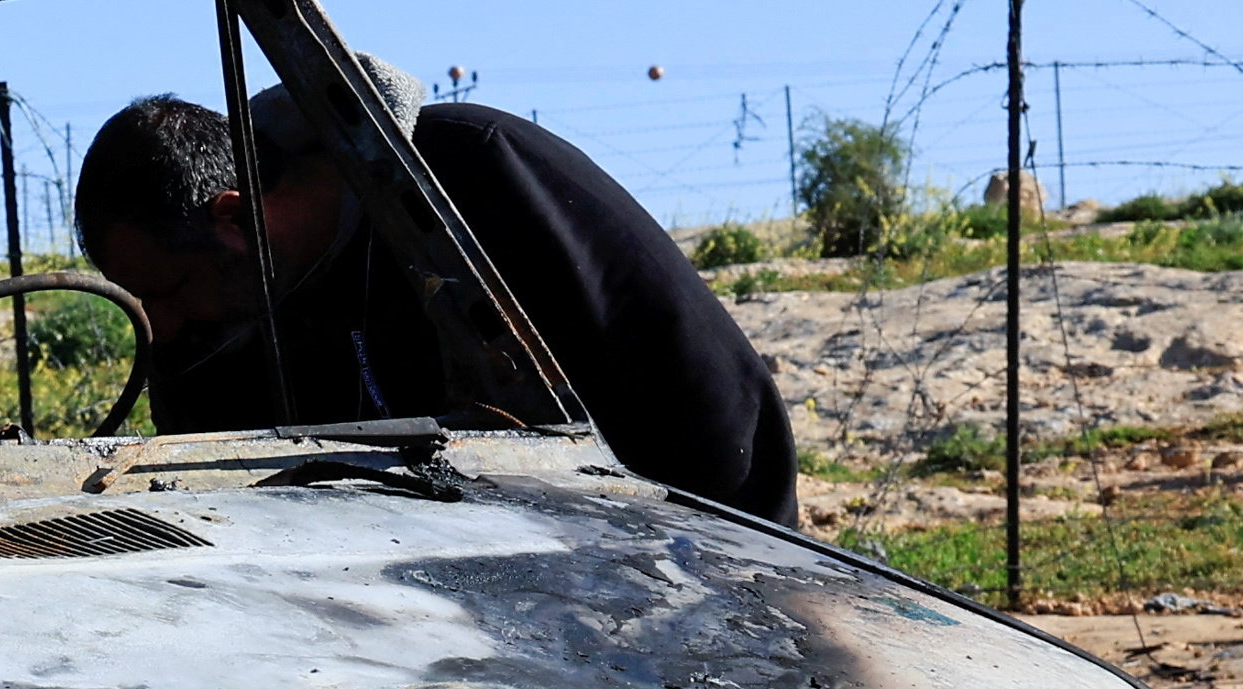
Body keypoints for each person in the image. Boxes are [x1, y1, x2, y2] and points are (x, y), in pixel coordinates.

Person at [74, 66, 799, 517]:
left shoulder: (478, 181)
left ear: (234, 217)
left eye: (167, 289)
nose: (160, 328)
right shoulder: (208, 338)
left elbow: (707, 397)